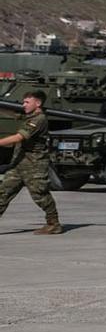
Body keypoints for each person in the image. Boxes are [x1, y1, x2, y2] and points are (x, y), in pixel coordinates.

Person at [0, 91, 63, 235]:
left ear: (38, 103)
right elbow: (13, 114)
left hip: (34, 164)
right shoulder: (30, 117)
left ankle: (54, 224)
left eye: (27, 102)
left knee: (40, 195)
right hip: (19, 164)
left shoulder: (39, 120)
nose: (24, 105)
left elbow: (18, 137)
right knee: (3, 192)